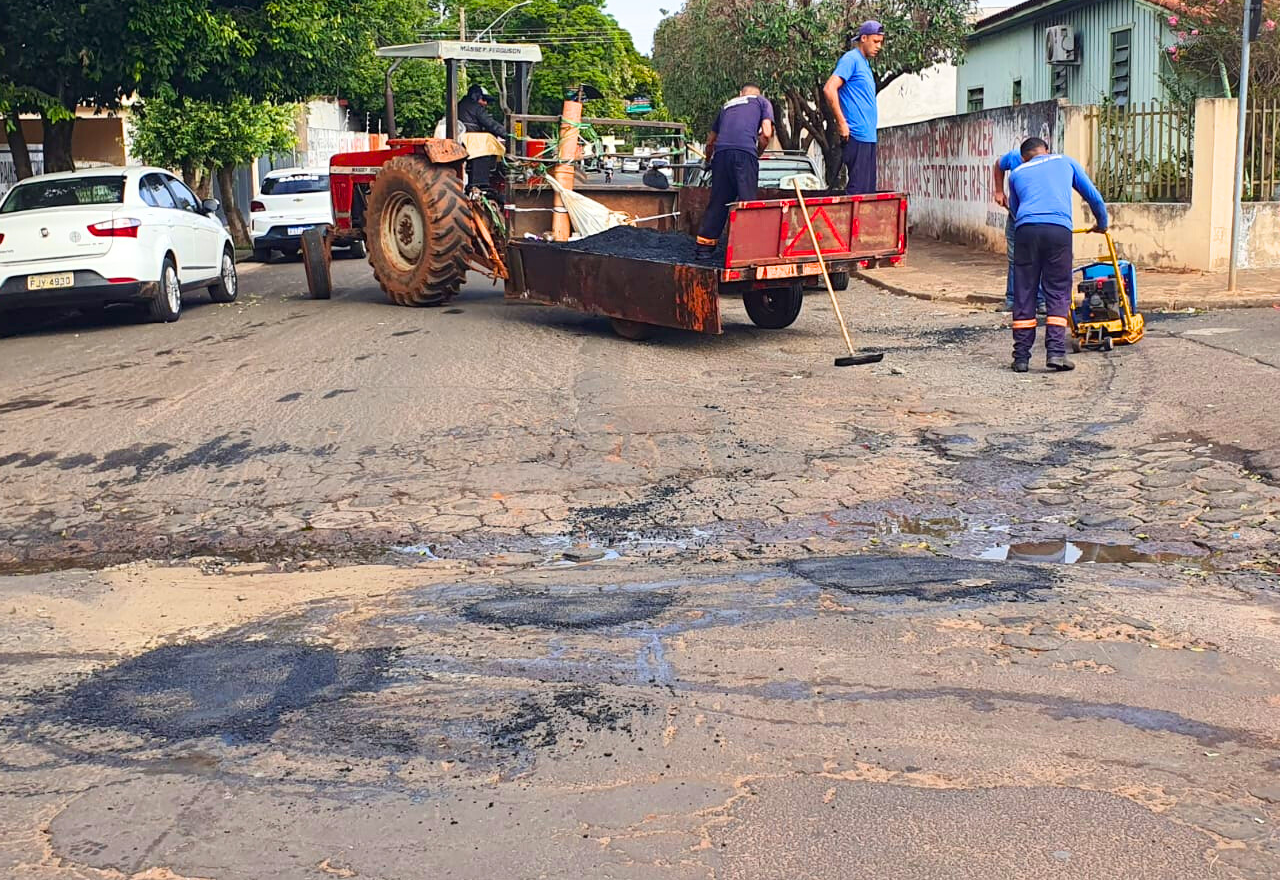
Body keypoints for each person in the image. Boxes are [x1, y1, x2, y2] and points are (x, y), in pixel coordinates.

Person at [1006, 137, 1109, 373]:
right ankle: (1055, 353)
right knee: (1058, 290)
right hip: (1058, 231)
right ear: (1046, 150)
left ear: (1024, 157)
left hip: (1026, 230)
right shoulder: (1065, 161)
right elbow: (1093, 196)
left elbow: (1014, 209)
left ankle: (1021, 358)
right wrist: (1102, 223)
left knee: (1024, 290)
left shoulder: (1017, 173)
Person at [694, 84, 775, 259]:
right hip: (745, 153)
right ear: (758, 94)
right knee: (747, 203)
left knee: (719, 201)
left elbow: (710, 141)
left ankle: (704, 249)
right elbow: (766, 133)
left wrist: (708, 161)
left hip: (721, 155)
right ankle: (745, 250)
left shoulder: (727, 105)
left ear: (740, 94)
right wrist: (757, 153)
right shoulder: (762, 102)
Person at [823, 21, 885, 195]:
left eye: (881, 42)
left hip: (868, 137)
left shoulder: (864, 64)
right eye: (875, 41)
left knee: (867, 192)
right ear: (863, 38)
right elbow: (829, 88)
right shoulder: (851, 59)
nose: (878, 46)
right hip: (857, 135)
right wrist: (842, 123)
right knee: (858, 192)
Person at [993, 148, 1047, 314]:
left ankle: (1040, 300)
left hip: (1037, 218)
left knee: (1038, 257)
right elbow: (998, 164)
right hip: (1015, 216)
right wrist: (999, 191)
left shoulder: (1048, 166)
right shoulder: (1014, 158)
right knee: (1015, 257)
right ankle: (1012, 299)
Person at [457, 85, 507, 192]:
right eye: (484, 100)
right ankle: (481, 183)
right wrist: (508, 135)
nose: (485, 103)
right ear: (475, 97)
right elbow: (491, 124)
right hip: (471, 142)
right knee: (487, 141)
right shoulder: (475, 107)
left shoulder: (459, 105)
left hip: (459, 141)